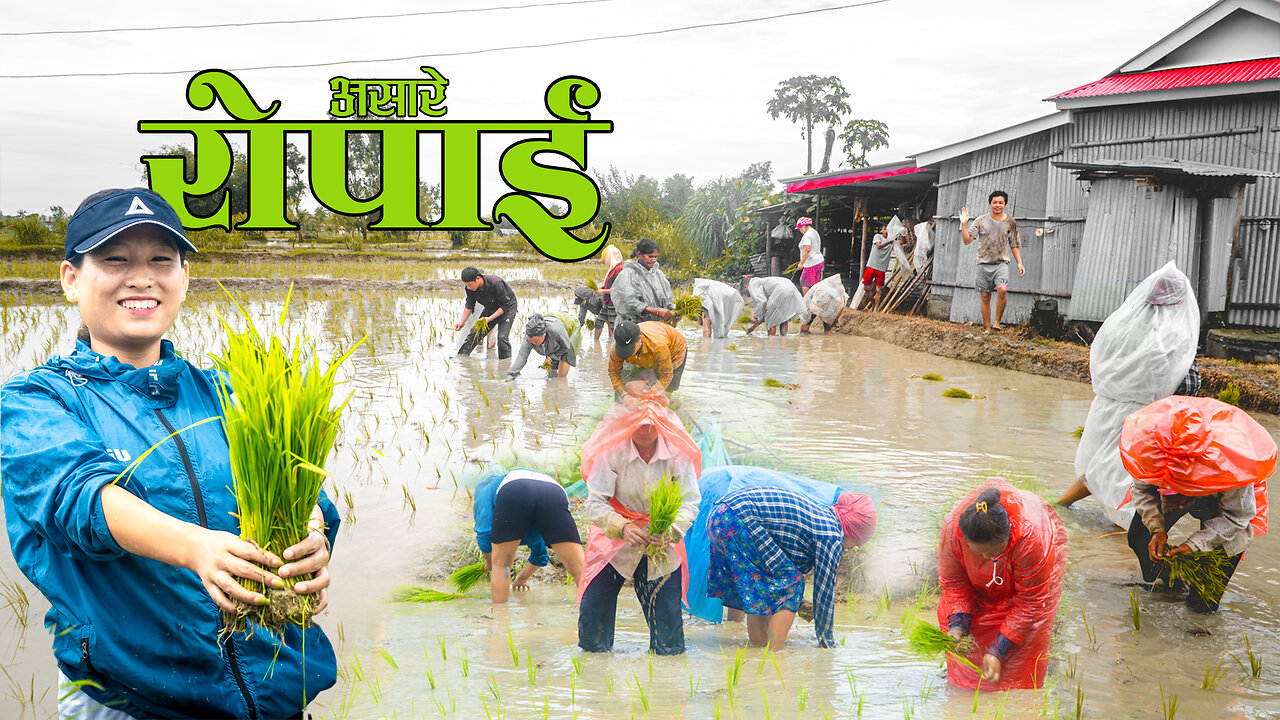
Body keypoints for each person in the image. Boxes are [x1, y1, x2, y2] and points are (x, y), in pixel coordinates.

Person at [0, 188, 340, 718]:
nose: (141, 277)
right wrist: (195, 548)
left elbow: (301, 486)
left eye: (162, 259)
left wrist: (313, 534)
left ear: (183, 277)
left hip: (275, 695)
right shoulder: (37, 402)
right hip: (130, 703)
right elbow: (80, 496)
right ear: (71, 279)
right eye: (115, 259)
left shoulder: (233, 392)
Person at [1058, 262, 1201, 525]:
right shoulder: (1176, 336)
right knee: (1128, 474)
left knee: (1101, 464)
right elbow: (1186, 384)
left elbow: (1100, 363)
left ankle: (1058, 506)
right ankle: (1123, 530)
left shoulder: (1121, 323)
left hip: (1108, 408)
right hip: (1146, 417)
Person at [1119, 396, 1275, 613]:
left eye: (1181, 485)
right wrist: (1157, 530)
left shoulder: (1231, 468)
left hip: (1225, 508)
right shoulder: (1153, 449)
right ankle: (1171, 582)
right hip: (1179, 489)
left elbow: (1236, 517)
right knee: (1139, 537)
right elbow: (1143, 489)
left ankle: (1198, 609)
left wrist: (1194, 545)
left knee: (1203, 604)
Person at [577, 385, 702, 655]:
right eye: (639, 421)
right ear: (627, 423)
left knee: (668, 623)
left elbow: (691, 501)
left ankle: (666, 676)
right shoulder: (612, 451)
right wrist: (622, 526)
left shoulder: (677, 453)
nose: (646, 426)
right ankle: (594, 667)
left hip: (660, 540)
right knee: (593, 608)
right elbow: (595, 502)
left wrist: (672, 529)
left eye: (652, 421)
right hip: (616, 538)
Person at [706, 486, 875, 649]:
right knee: (792, 582)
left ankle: (758, 651)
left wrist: (798, 604)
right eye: (857, 543)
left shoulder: (820, 515)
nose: (853, 548)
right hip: (738, 519)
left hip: (719, 516)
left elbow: (773, 576)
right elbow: (824, 594)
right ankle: (775, 656)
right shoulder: (831, 535)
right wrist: (827, 643)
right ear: (852, 530)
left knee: (760, 588)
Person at [938, 479, 1068, 690]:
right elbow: (953, 583)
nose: (986, 558)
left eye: (993, 551)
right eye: (977, 552)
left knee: (1019, 668)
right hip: (979, 585)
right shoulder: (952, 532)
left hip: (1030, 589)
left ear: (1008, 537)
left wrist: (998, 650)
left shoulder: (1031, 540)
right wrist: (958, 626)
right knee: (967, 665)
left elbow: (1030, 603)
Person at [473, 468, 585, 603]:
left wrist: (490, 562)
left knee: (502, 565)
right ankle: (593, 621)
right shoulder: (532, 528)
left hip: (515, 489)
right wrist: (522, 578)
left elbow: (484, 532)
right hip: (554, 491)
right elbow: (540, 556)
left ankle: (499, 621)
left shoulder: (485, 489)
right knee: (580, 569)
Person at [960, 191, 1024, 334]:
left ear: (1005, 204)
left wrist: (1019, 262)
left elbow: (1014, 244)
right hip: (983, 263)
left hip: (1001, 263)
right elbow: (967, 240)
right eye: (995, 202)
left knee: (1002, 289)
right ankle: (987, 328)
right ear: (990, 204)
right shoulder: (980, 221)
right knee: (985, 296)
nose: (997, 205)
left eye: (1001, 202)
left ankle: (997, 322)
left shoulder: (1010, 222)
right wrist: (964, 224)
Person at [608, 320, 687, 396]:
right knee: (633, 384)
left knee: (667, 390)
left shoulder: (658, 346)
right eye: (623, 349)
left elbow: (667, 375)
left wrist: (652, 393)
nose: (625, 353)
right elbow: (614, 372)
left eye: (628, 349)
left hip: (675, 349)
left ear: (639, 339)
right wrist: (624, 394)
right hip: (650, 350)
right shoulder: (618, 346)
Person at [453, 267, 519, 359]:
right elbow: (469, 305)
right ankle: (461, 359)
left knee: (502, 338)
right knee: (475, 333)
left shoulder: (496, 283)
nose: (468, 287)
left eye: (470, 285)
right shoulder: (470, 289)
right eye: (466, 285)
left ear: (478, 279)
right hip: (491, 307)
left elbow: (505, 305)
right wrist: (462, 322)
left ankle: (505, 365)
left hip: (508, 308)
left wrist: (489, 319)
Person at [610, 238, 676, 325]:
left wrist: (674, 311)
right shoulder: (627, 274)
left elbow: (668, 299)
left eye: (655, 257)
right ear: (639, 254)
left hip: (656, 327)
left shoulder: (658, 275)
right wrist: (655, 311)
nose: (653, 260)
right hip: (632, 327)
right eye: (650, 256)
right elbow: (627, 303)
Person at [506, 312, 582, 380]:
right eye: (530, 340)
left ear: (544, 334)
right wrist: (511, 374)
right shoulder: (529, 335)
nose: (533, 343)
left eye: (535, 341)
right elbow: (522, 356)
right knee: (552, 370)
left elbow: (566, 347)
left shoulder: (556, 331)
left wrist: (551, 357)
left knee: (566, 356)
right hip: (552, 323)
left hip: (571, 326)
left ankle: (561, 384)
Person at [859, 222, 898, 311]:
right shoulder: (878, 236)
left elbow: (901, 244)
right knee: (866, 288)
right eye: (884, 229)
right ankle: (873, 304)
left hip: (881, 268)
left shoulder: (892, 241)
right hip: (871, 265)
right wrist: (889, 242)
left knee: (878, 290)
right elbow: (879, 245)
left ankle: (875, 308)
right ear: (882, 230)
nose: (886, 231)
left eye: (888, 229)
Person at [598, 244, 626, 334]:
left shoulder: (619, 270)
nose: (605, 262)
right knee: (598, 322)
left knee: (615, 328)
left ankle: (615, 345)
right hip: (607, 302)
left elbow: (620, 290)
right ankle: (597, 345)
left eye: (605, 260)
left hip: (614, 304)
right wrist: (602, 288)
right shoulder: (613, 269)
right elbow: (611, 285)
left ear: (610, 258)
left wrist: (603, 292)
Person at [796, 217, 824, 294]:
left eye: (800, 228)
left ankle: (806, 302)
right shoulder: (814, 232)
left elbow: (807, 250)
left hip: (811, 263)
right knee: (814, 284)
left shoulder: (807, 235)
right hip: (819, 261)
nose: (800, 230)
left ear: (805, 226)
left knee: (804, 281)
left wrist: (801, 263)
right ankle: (814, 301)